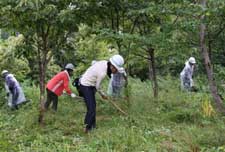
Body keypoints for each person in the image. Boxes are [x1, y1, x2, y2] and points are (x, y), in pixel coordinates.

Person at [79, 54, 125, 133]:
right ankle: (87, 128)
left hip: (91, 84)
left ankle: (93, 126)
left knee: (93, 106)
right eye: (116, 69)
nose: (116, 71)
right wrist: (103, 94)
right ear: (112, 66)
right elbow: (97, 86)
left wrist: (102, 93)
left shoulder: (105, 63)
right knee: (91, 108)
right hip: (85, 85)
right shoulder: (103, 72)